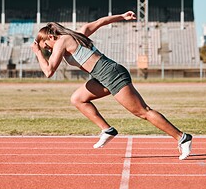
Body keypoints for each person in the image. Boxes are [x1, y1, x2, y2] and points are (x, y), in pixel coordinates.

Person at [31, 11, 193, 160]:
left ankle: (182, 137)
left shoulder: (61, 41)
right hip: (102, 76)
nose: (49, 51)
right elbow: (101, 21)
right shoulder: (79, 34)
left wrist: (38, 53)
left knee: (143, 112)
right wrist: (122, 16)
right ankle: (107, 130)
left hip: (110, 74)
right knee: (78, 99)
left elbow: (49, 71)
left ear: (51, 37)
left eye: (47, 47)